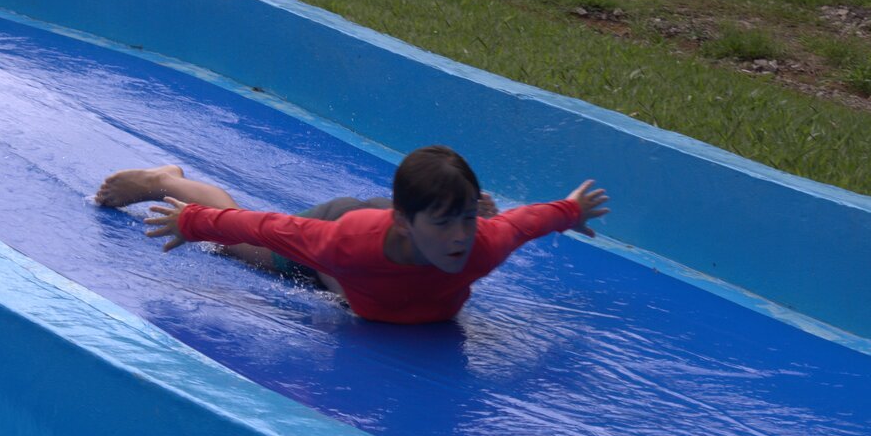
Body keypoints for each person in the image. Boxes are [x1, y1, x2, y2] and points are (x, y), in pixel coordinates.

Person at [95, 145, 610, 324]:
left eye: (466, 219)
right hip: (350, 231)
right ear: (404, 222)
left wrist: (571, 210)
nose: (462, 238)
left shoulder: (479, 244)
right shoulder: (345, 244)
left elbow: (525, 222)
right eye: (449, 221)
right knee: (240, 249)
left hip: (401, 228)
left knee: (458, 223)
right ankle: (167, 178)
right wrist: (190, 221)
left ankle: (449, 199)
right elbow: (264, 227)